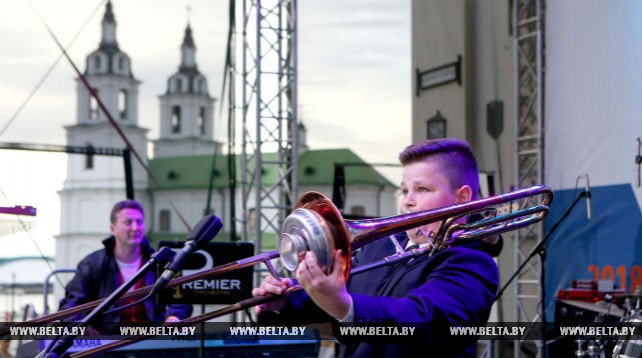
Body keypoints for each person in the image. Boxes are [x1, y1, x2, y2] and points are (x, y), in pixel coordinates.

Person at [252, 138, 499, 357]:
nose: (407, 202)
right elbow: (335, 297)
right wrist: (282, 303)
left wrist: (344, 306)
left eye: (422, 189)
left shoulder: (472, 262)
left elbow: (425, 320)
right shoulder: (379, 247)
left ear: (462, 197)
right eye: (405, 190)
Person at [59, 200, 192, 334]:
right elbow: (69, 306)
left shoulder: (161, 262)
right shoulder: (92, 264)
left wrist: (174, 317)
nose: (135, 227)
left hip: (152, 341)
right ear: (113, 229)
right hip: (107, 345)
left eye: (139, 222)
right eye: (128, 223)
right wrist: (83, 328)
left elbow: (180, 300)